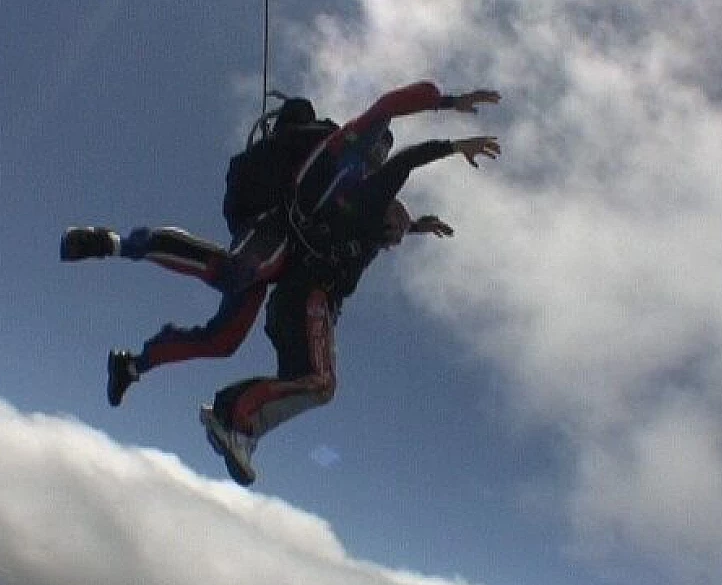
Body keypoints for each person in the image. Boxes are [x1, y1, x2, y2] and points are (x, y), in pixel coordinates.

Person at [61, 81, 500, 410]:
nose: (379, 157)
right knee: (243, 270)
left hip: (275, 242)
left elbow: (364, 217)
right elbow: (388, 107)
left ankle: (133, 365)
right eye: (379, 147)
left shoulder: (338, 171)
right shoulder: (335, 145)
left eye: (382, 152)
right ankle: (114, 242)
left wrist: (418, 225)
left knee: (225, 339)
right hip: (273, 229)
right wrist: (448, 104)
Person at [200, 133, 501, 486]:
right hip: (311, 298)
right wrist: (453, 147)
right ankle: (237, 418)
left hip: (294, 301)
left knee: (299, 382)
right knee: (319, 384)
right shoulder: (371, 197)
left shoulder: (363, 221)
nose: (393, 242)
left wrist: (419, 226)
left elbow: (382, 224)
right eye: (395, 232)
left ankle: (231, 417)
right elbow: (405, 162)